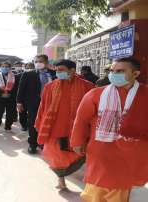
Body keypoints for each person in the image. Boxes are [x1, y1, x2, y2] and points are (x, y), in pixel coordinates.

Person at [71, 57, 148, 202]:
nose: (113, 74)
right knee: (95, 192)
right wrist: (77, 141)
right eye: (112, 71)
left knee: (120, 190)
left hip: (132, 152)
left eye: (120, 71)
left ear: (135, 74)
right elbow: (81, 120)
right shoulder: (96, 94)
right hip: (101, 151)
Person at [35, 59, 94, 190]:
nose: (58, 73)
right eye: (56, 70)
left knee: (81, 155)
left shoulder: (88, 86)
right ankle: (61, 180)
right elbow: (43, 106)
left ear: (72, 70)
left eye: (61, 70)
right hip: (54, 128)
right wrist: (39, 122)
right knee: (56, 156)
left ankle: (90, 183)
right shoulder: (50, 87)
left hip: (78, 130)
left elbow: (93, 110)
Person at [16, 54, 56, 154]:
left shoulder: (54, 74)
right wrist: (19, 102)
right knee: (33, 123)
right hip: (33, 103)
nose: (38, 63)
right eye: (36, 61)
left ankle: (43, 142)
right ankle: (32, 144)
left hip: (51, 103)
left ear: (46, 62)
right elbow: (21, 89)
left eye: (40, 61)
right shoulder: (28, 74)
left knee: (47, 122)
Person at [0, 61, 20, 131]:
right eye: (3, 66)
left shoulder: (15, 76)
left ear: (10, 68)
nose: (4, 68)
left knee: (10, 113)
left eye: (6, 67)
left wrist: (9, 94)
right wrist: (1, 94)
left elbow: (17, 87)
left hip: (11, 98)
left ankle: (8, 126)